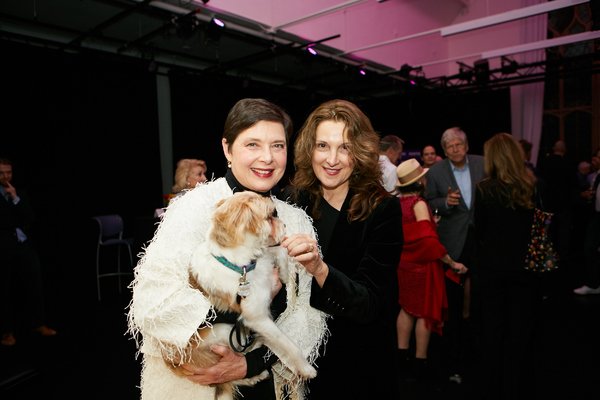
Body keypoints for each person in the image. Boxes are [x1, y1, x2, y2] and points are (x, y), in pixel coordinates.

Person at [127, 99, 328, 400]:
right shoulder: (194, 208)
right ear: (227, 149)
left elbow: (309, 311)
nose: (267, 158)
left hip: (267, 383)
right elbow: (154, 302)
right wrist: (240, 302)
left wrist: (251, 363)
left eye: (277, 145)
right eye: (252, 144)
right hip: (202, 382)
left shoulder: (294, 219)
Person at [280, 99, 403, 399]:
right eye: (323, 145)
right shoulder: (293, 198)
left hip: (357, 362)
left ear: (359, 151)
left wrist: (320, 269)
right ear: (310, 149)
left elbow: (372, 303)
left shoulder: (382, 208)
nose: (332, 159)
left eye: (344, 147)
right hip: (298, 360)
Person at [474, 133, 542, 399]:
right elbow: (542, 228)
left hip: (493, 270)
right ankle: (520, 386)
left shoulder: (484, 188)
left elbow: (480, 231)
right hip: (526, 270)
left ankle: (493, 387)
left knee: (493, 331)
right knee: (522, 333)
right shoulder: (534, 185)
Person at [394, 158, 467, 380]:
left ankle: (401, 357)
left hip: (404, 266)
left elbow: (408, 232)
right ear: (419, 182)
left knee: (406, 309)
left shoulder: (399, 203)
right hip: (422, 267)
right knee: (425, 314)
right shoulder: (419, 203)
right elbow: (428, 241)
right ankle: (420, 361)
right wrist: (451, 262)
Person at [425, 127, 486, 322]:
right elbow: (428, 202)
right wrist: (445, 202)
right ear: (444, 151)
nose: (455, 149)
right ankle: (454, 321)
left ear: (467, 146)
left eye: (458, 145)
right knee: (452, 285)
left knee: (480, 281)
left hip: (481, 232)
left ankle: (476, 319)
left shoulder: (483, 163)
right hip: (452, 236)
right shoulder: (435, 171)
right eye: (450, 147)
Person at [0, 158, 56, 346]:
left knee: (34, 284)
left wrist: (15, 199)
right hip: (4, 247)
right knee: (4, 290)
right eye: (2, 173)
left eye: (9, 172)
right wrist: (14, 217)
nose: (6, 176)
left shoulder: (19, 193)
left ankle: (38, 324)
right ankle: (6, 332)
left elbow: (29, 217)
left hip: (24, 246)